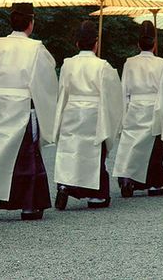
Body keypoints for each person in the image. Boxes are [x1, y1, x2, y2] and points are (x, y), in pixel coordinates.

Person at [0, 3, 58, 222]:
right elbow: (45, 81)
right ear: (31, 23)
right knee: (24, 155)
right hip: (23, 105)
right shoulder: (36, 48)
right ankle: (28, 204)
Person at [53, 21, 122, 210]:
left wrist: (60, 117)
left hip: (72, 109)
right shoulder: (103, 66)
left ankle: (65, 184)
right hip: (93, 112)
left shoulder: (68, 64)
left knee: (69, 149)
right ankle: (96, 195)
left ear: (77, 43)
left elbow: (63, 92)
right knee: (92, 153)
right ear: (96, 43)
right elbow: (113, 96)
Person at [113, 21, 163, 197]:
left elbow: (123, 89)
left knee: (130, 145)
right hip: (154, 108)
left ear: (138, 43)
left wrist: (123, 112)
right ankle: (154, 183)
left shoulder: (129, 62)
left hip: (134, 107)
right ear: (155, 43)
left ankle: (128, 179)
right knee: (154, 148)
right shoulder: (161, 64)